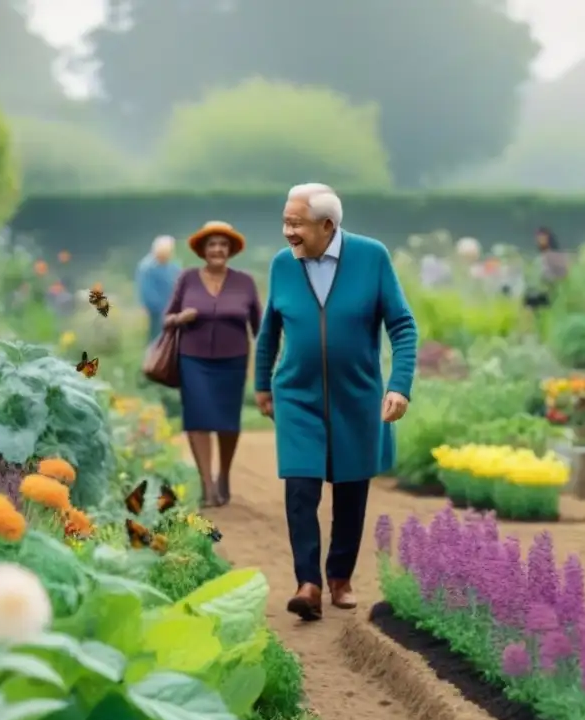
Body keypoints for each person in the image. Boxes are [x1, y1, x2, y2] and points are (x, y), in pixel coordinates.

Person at [255, 183, 418, 621]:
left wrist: (399, 385)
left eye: (296, 223)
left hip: (357, 394)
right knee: (300, 487)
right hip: (298, 394)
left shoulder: (372, 258)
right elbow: (270, 329)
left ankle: (340, 577)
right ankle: (307, 583)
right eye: (285, 221)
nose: (287, 231)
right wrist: (263, 384)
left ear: (327, 225)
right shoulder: (281, 265)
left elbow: (402, 327)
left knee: (351, 490)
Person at [163, 222, 261, 507]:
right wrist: (181, 318)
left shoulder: (245, 282)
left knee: (228, 423)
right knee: (197, 418)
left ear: (230, 250)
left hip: (233, 361)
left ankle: (224, 475)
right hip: (192, 359)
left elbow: (259, 326)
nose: (217, 249)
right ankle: (207, 486)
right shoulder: (187, 279)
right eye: (212, 244)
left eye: (222, 244)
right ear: (203, 250)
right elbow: (167, 318)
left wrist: (269, 362)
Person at [137, 235, 181, 342]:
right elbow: (148, 295)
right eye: (165, 252)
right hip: (156, 314)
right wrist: (166, 309)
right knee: (157, 341)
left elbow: (179, 283)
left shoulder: (173, 266)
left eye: (169, 252)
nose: (168, 255)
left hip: (173, 311)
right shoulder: (147, 268)